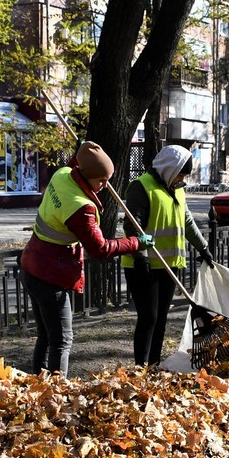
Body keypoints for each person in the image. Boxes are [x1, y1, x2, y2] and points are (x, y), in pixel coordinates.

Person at [19, 141, 152, 376]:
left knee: (46, 336)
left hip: (32, 265)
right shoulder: (81, 208)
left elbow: (75, 163)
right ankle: (54, 396)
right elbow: (100, 249)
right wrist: (136, 243)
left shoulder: (62, 175)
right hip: (51, 275)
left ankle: (37, 386)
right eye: (101, 180)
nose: (104, 185)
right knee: (62, 339)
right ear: (87, 174)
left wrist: (87, 150)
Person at [122, 145, 214, 366]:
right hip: (142, 265)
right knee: (149, 317)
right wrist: (141, 256)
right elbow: (133, 225)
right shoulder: (141, 187)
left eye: (184, 176)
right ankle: (140, 367)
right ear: (169, 169)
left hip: (169, 265)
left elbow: (187, 222)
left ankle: (154, 364)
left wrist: (203, 248)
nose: (181, 179)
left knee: (161, 318)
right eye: (180, 174)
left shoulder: (178, 190)